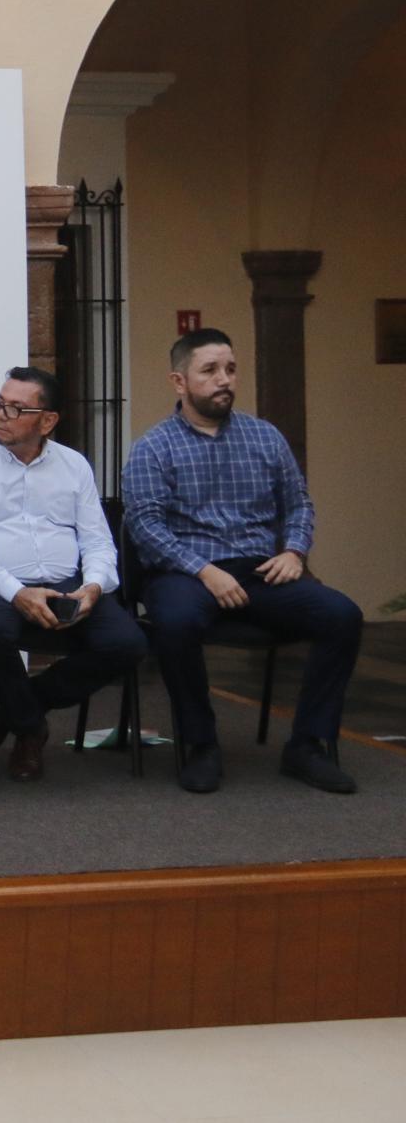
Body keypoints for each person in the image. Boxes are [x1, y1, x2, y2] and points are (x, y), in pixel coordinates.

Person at [123, 327, 362, 795]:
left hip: (259, 569)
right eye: (209, 370)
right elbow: (146, 527)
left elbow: (299, 505)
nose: (224, 380)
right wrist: (204, 571)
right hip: (185, 570)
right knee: (174, 621)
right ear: (179, 382)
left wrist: (293, 550)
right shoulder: (154, 447)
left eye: (230, 369)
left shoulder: (265, 437)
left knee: (342, 616)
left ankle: (308, 744)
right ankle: (200, 743)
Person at [0, 366, 145, 780]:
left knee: (128, 643)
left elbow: (98, 542)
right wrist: (17, 592)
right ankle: (31, 729)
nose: (0, 414)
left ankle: (20, 707)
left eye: (15, 408)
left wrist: (94, 586)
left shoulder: (74, 466)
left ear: (47, 420)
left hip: (69, 584)